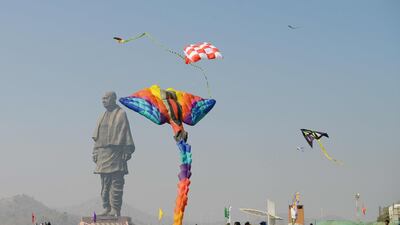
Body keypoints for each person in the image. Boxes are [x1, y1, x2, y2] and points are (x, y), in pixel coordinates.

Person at [92, 91, 135, 217]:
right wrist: (95, 151)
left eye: (106, 98)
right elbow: (97, 137)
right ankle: (106, 207)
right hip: (102, 153)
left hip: (116, 153)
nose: (103, 100)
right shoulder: (102, 116)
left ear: (113, 99)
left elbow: (126, 133)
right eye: (102, 98)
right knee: (104, 183)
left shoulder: (121, 114)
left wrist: (127, 150)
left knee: (116, 182)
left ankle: (115, 209)